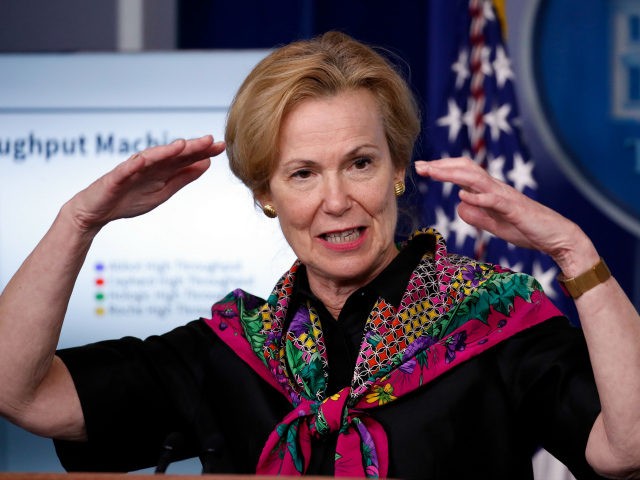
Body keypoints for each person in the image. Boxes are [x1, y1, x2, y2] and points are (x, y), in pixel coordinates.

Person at [0, 31, 639, 480]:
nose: (336, 201)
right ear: (267, 195)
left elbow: (629, 447)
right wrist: (79, 221)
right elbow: (22, 392)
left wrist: (573, 249)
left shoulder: (494, 322)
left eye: (359, 163)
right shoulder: (231, 347)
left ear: (396, 171)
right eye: (302, 173)